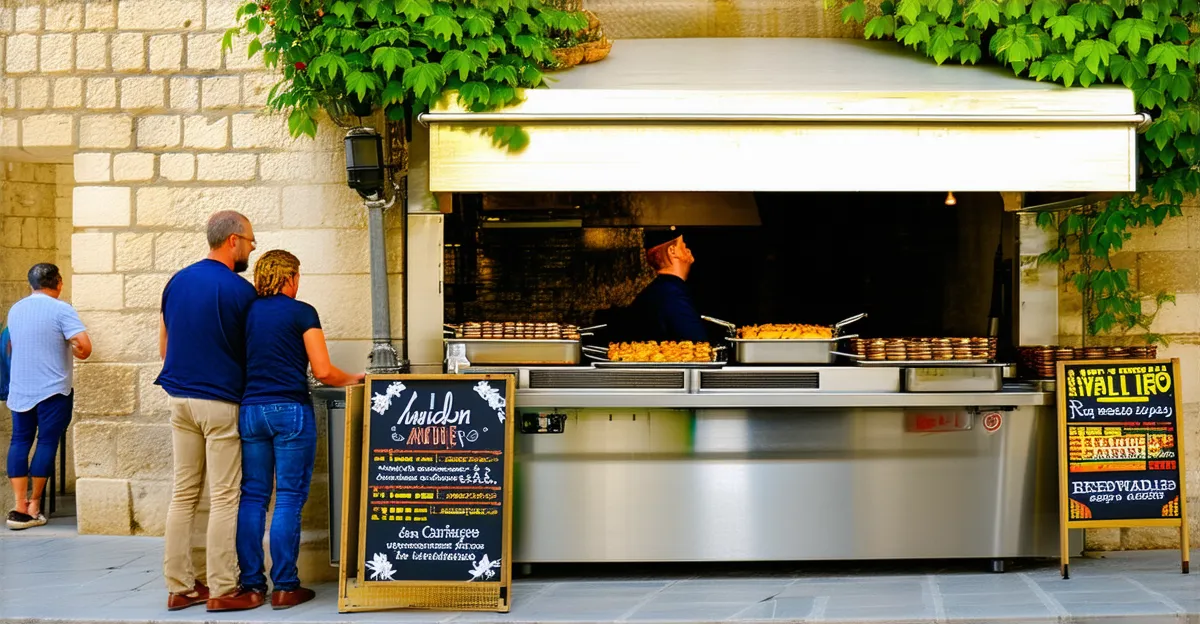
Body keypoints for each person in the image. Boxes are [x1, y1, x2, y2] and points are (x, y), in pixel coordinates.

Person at [235, 250, 363, 610]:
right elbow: (323, 371)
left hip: (250, 410)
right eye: (298, 276)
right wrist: (355, 378)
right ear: (290, 277)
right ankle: (286, 586)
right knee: (289, 496)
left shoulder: (244, 312)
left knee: (254, 497)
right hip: (289, 409)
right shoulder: (301, 311)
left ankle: (250, 585)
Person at [157, 211, 262, 612]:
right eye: (251, 240)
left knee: (183, 495)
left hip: (179, 398)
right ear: (233, 240)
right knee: (224, 497)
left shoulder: (176, 282)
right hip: (219, 401)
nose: (253, 247)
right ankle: (222, 588)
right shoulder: (240, 291)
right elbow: (251, 352)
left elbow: (164, 346)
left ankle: (179, 587)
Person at [5, 263, 91, 530]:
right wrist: (74, 350)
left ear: (30, 284)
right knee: (46, 442)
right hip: (53, 389)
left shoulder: (16, 309)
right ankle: (34, 505)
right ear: (59, 282)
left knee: (19, 441)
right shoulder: (61, 309)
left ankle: (18, 506)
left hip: (20, 389)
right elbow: (85, 347)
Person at [624, 227, 709, 342]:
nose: (689, 251)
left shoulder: (654, 292)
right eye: (683, 245)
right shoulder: (673, 295)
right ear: (672, 251)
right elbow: (699, 348)